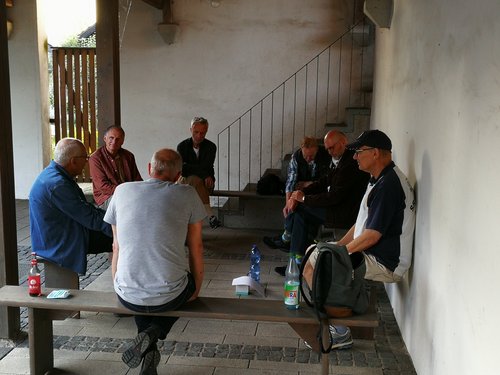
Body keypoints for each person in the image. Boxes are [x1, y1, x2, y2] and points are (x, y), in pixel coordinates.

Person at [303, 129, 416, 350]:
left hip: (386, 261)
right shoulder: (379, 178)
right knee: (314, 252)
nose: (354, 156)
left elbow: (372, 236)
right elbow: (361, 224)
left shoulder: (389, 186)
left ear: (375, 153)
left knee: (316, 265)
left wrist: (339, 255)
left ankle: (340, 330)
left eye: (359, 152)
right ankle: (335, 316)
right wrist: (338, 247)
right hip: (373, 252)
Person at [104, 148, 206, 375]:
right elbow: (196, 247)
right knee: (177, 289)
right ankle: (154, 332)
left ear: (149, 169)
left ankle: (149, 352)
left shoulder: (121, 191)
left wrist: (118, 285)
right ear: (178, 174)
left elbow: (116, 246)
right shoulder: (187, 193)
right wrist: (196, 289)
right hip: (168, 294)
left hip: (126, 291)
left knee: (143, 288)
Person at [264, 130, 369, 276]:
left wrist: (303, 198)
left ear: (343, 142)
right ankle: (296, 263)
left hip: (343, 214)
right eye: (327, 149)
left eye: (332, 147)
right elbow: (324, 181)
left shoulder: (349, 164)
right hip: (336, 208)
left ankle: (288, 241)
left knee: (301, 208)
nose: (330, 152)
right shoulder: (342, 159)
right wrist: (298, 195)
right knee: (300, 214)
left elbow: (333, 197)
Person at [29, 138, 112, 275]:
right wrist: (119, 227)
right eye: (85, 158)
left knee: (116, 231)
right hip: (58, 241)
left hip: (54, 233)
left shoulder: (53, 173)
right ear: (73, 161)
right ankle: (127, 283)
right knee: (124, 237)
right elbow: (89, 217)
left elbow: (83, 209)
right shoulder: (58, 185)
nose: (87, 162)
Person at [177, 116, 221, 229]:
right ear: (190, 129)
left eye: (203, 133)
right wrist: (204, 174)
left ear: (206, 131)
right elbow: (182, 168)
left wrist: (192, 169)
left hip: (206, 183)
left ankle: (185, 227)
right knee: (192, 179)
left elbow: (205, 166)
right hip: (190, 181)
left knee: (193, 179)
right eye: (196, 132)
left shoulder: (211, 147)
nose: (199, 136)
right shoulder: (182, 146)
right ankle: (210, 215)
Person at [89, 125, 142, 209]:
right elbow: (103, 187)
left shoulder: (129, 156)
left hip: (128, 193)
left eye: (118, 139)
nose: (114, 142)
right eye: (111, 138)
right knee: (128, 204)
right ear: (105, 138)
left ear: (122, 141)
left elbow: (137, 179)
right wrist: (126, 192)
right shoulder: (96, 158)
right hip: (106, 197)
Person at [282, 136, 330, 218]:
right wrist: (288, 203)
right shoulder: (296, 157)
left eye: (311, 156)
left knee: (302, 210)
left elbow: (328, 180)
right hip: (302, 192)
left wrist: (307, 183)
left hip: (321, 193)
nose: (308, 159)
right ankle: (289, 229)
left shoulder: (327, 155)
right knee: (293, 208)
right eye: (305, 156)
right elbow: (290, 182)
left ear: (316, 150)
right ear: (301, 149)